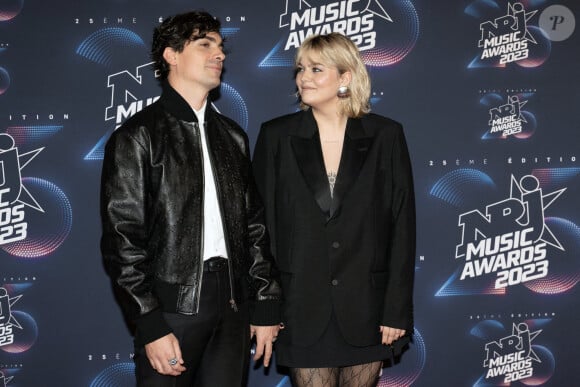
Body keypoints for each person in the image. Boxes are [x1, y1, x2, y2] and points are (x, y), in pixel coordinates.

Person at [100, 11, 282, 386]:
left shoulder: (233, 137)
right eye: (205, 44)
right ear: (171, 55)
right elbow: (123, 238)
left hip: (232, 305)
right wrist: (149, 322)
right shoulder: (138, 136)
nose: (219, 54)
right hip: (171, 309)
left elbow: (254, 227)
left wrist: (264, 304)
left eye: (220, 47)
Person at [252, 33, 416, 387]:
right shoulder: (276, 136)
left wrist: (396, 309)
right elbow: (259, 229)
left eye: (315, 68)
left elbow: (402, 226)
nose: (303, 77)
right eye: (300, 69)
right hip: (300, 307)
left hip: (367, 309)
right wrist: (266, 306)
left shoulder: (385, 135)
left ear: (345, 77)